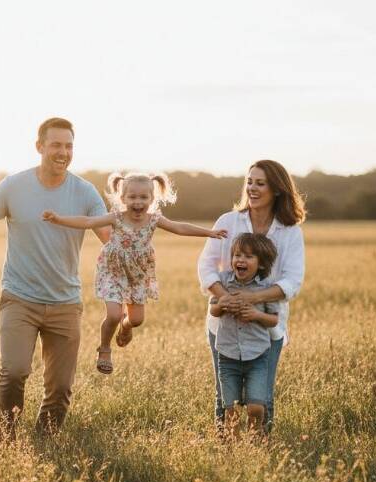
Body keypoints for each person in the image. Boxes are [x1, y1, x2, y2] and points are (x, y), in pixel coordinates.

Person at [0, 117, 110, 439]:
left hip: (65, 303)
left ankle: (44, 442)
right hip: (19, 298)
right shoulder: (13, 187)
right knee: (14, 371)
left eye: (69, 146)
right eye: (56, 145)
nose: (63, 152)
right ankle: (6, 437)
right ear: (39, 146)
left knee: (60, 388)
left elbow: (109, 238)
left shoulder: (84, 192)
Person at [42, 172, 227, 374]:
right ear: (122, 198)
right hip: (113, 271)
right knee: (113, 314)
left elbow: (180, 228)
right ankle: (104, 349)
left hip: (138, 275)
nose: (138, 202)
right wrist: (59, 219)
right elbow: (87, 222)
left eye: (143, 197)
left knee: (137, 320)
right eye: (132, 197)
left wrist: (209, 232)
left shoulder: (154, 220)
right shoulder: (116, 218)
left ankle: (126, 326)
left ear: (152, 199)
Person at [197, 160, 306, 433]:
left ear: (277, 189)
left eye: (260, 183)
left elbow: (292, 281)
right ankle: (227, 449)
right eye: (249, 182)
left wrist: (252, 298)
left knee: (262, 397)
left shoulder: (290, 231)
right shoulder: (228, 221)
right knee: (226, 397)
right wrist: (227, 298)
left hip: (267, 327)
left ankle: (261, 450)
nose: (252, 188)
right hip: (224, 325)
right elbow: (206, 266)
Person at [209, 233, 279, 438]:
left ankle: (255, 439)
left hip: (257, 356)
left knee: (256, 406)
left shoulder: (267, 288)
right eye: (237, 255)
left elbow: (274, 320)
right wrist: (222, 304)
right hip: (227, 355)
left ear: (261, 264)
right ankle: (233, 447)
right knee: (231, 409)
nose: (241, 260)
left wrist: (256, 315)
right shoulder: (223, 281)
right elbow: (213, 310)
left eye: (249, 256)